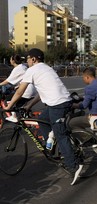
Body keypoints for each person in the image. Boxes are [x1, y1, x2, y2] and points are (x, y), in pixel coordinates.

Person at [4, 48, 83, 185]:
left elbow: (20, 91)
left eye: (28, 59)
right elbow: (41, 93)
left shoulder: (32, 70)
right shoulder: (46, 68)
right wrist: (28, 106)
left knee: (61, 134)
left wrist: (8, 106)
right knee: (43, 120)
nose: (27, 61)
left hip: (58, 105)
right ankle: (52, 146)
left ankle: (74, 165)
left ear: (33, 59)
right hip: (59, 103)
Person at [69, 67, 97, 132]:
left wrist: (71, 105)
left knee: (72, 123)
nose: (83, 79)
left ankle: (86, 139)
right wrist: (82, 98)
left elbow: (83, 106)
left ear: (87, 77)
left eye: (83, 77)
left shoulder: (89, 87)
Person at [0, 54, 36, 122]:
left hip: (27, 91)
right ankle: (25, 116)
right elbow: (22, 79)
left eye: (10, 59)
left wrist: (0, 84)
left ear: (13, 61)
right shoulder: (23, 66)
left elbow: (7, 81)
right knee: (21, 106)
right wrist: (13, 88)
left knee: (9, 100)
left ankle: (14, 116)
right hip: (32, 90)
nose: (10, 61)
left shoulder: (17, 69)